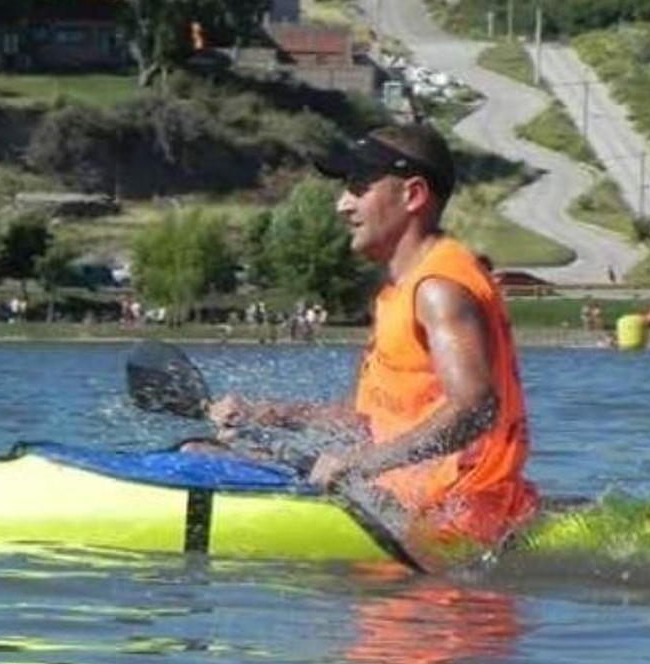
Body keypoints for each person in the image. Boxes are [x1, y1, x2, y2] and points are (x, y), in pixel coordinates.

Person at [210, 123, 538, 559]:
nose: (342, 204)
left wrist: (360, 464)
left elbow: (475, 409)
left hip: (456, 526)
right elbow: (376, 421)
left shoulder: (438, 289)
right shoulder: (400, 290)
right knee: (207, 453)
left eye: (359, 187)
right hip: (405, 508)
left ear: (413, 194)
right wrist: (268, 414)